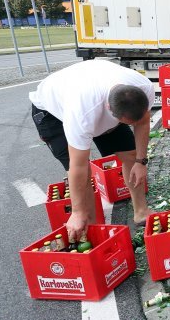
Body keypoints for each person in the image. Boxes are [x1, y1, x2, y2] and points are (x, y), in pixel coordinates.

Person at [29, 60, 154, 241]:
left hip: (96, 93)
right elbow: (78, 167)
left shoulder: (142, 87)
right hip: (52, 113)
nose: (133, 125)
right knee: (84, 170)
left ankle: (141, 211)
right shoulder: (81, 114)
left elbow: (142, 121)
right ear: (110, 110)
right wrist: (77, 211)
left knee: (130, 154)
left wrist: (141, 162)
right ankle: (94, 231)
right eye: (128, 123)